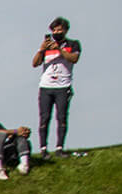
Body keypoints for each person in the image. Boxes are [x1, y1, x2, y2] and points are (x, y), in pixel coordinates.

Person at [32, 16, 82, 157]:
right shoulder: (47, 46)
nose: (56, 32)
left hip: (63, 86)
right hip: (46, 87)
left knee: (61, 117)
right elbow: (35, 63)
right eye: (54, 30)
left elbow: (74, 58)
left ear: (65, 30)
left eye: (59, 29)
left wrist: (60, 50)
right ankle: (43, 149)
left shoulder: (73, 44)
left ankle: (59, 148)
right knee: (44, 118)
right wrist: (41, 50)